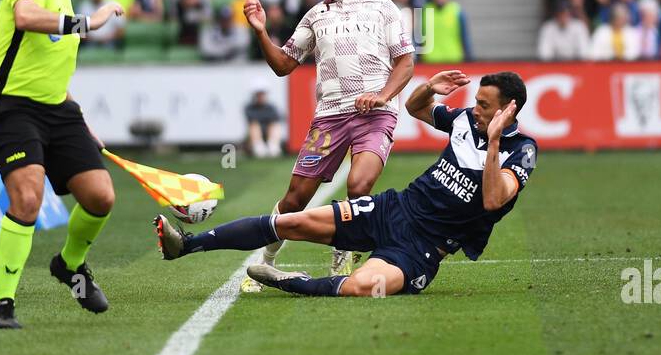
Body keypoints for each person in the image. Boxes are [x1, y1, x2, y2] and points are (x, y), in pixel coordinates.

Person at [157, 71, 537, 298]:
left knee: (359, 287)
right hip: (393, 210)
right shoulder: (465, 120)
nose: (475, 109)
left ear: (509, 110)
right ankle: (186, 245)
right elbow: (416, 109)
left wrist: (497, 139)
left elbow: (492, 199)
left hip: (422, 249)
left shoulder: (520, 151)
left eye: (485, 105)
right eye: (477, 102)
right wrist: (429, 88)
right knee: (293, 222)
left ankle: (290, 281)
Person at [241, 0, 415, 288]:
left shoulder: (383, 7)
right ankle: (266, 263)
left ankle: (344, 250)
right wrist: (261, 32)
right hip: (329, 119)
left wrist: (382, 96)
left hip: (374, 115)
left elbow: (406, 63)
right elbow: (284, 65)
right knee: (295, 198)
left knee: (359, 183)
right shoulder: (315, 15)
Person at [0, 0, 124, 330]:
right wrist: (89, 22)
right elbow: (25, 16)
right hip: (12, 110)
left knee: (100, 197)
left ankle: (69, 265)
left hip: (58, 110)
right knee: (28, 197)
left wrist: (81, 121)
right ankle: (3, 306)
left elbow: (49, 72)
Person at [245, 88, 284, 159]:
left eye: (262, 95)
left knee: (275, 125)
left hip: (269, 133)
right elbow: (252, 122)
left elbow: (273, 122)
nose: (260, 97)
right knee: (254, 126)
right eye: (259, 95)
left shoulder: (271, 108)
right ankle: (259, 147)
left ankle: (273, 146)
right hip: (255, 135)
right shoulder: (250, 108)